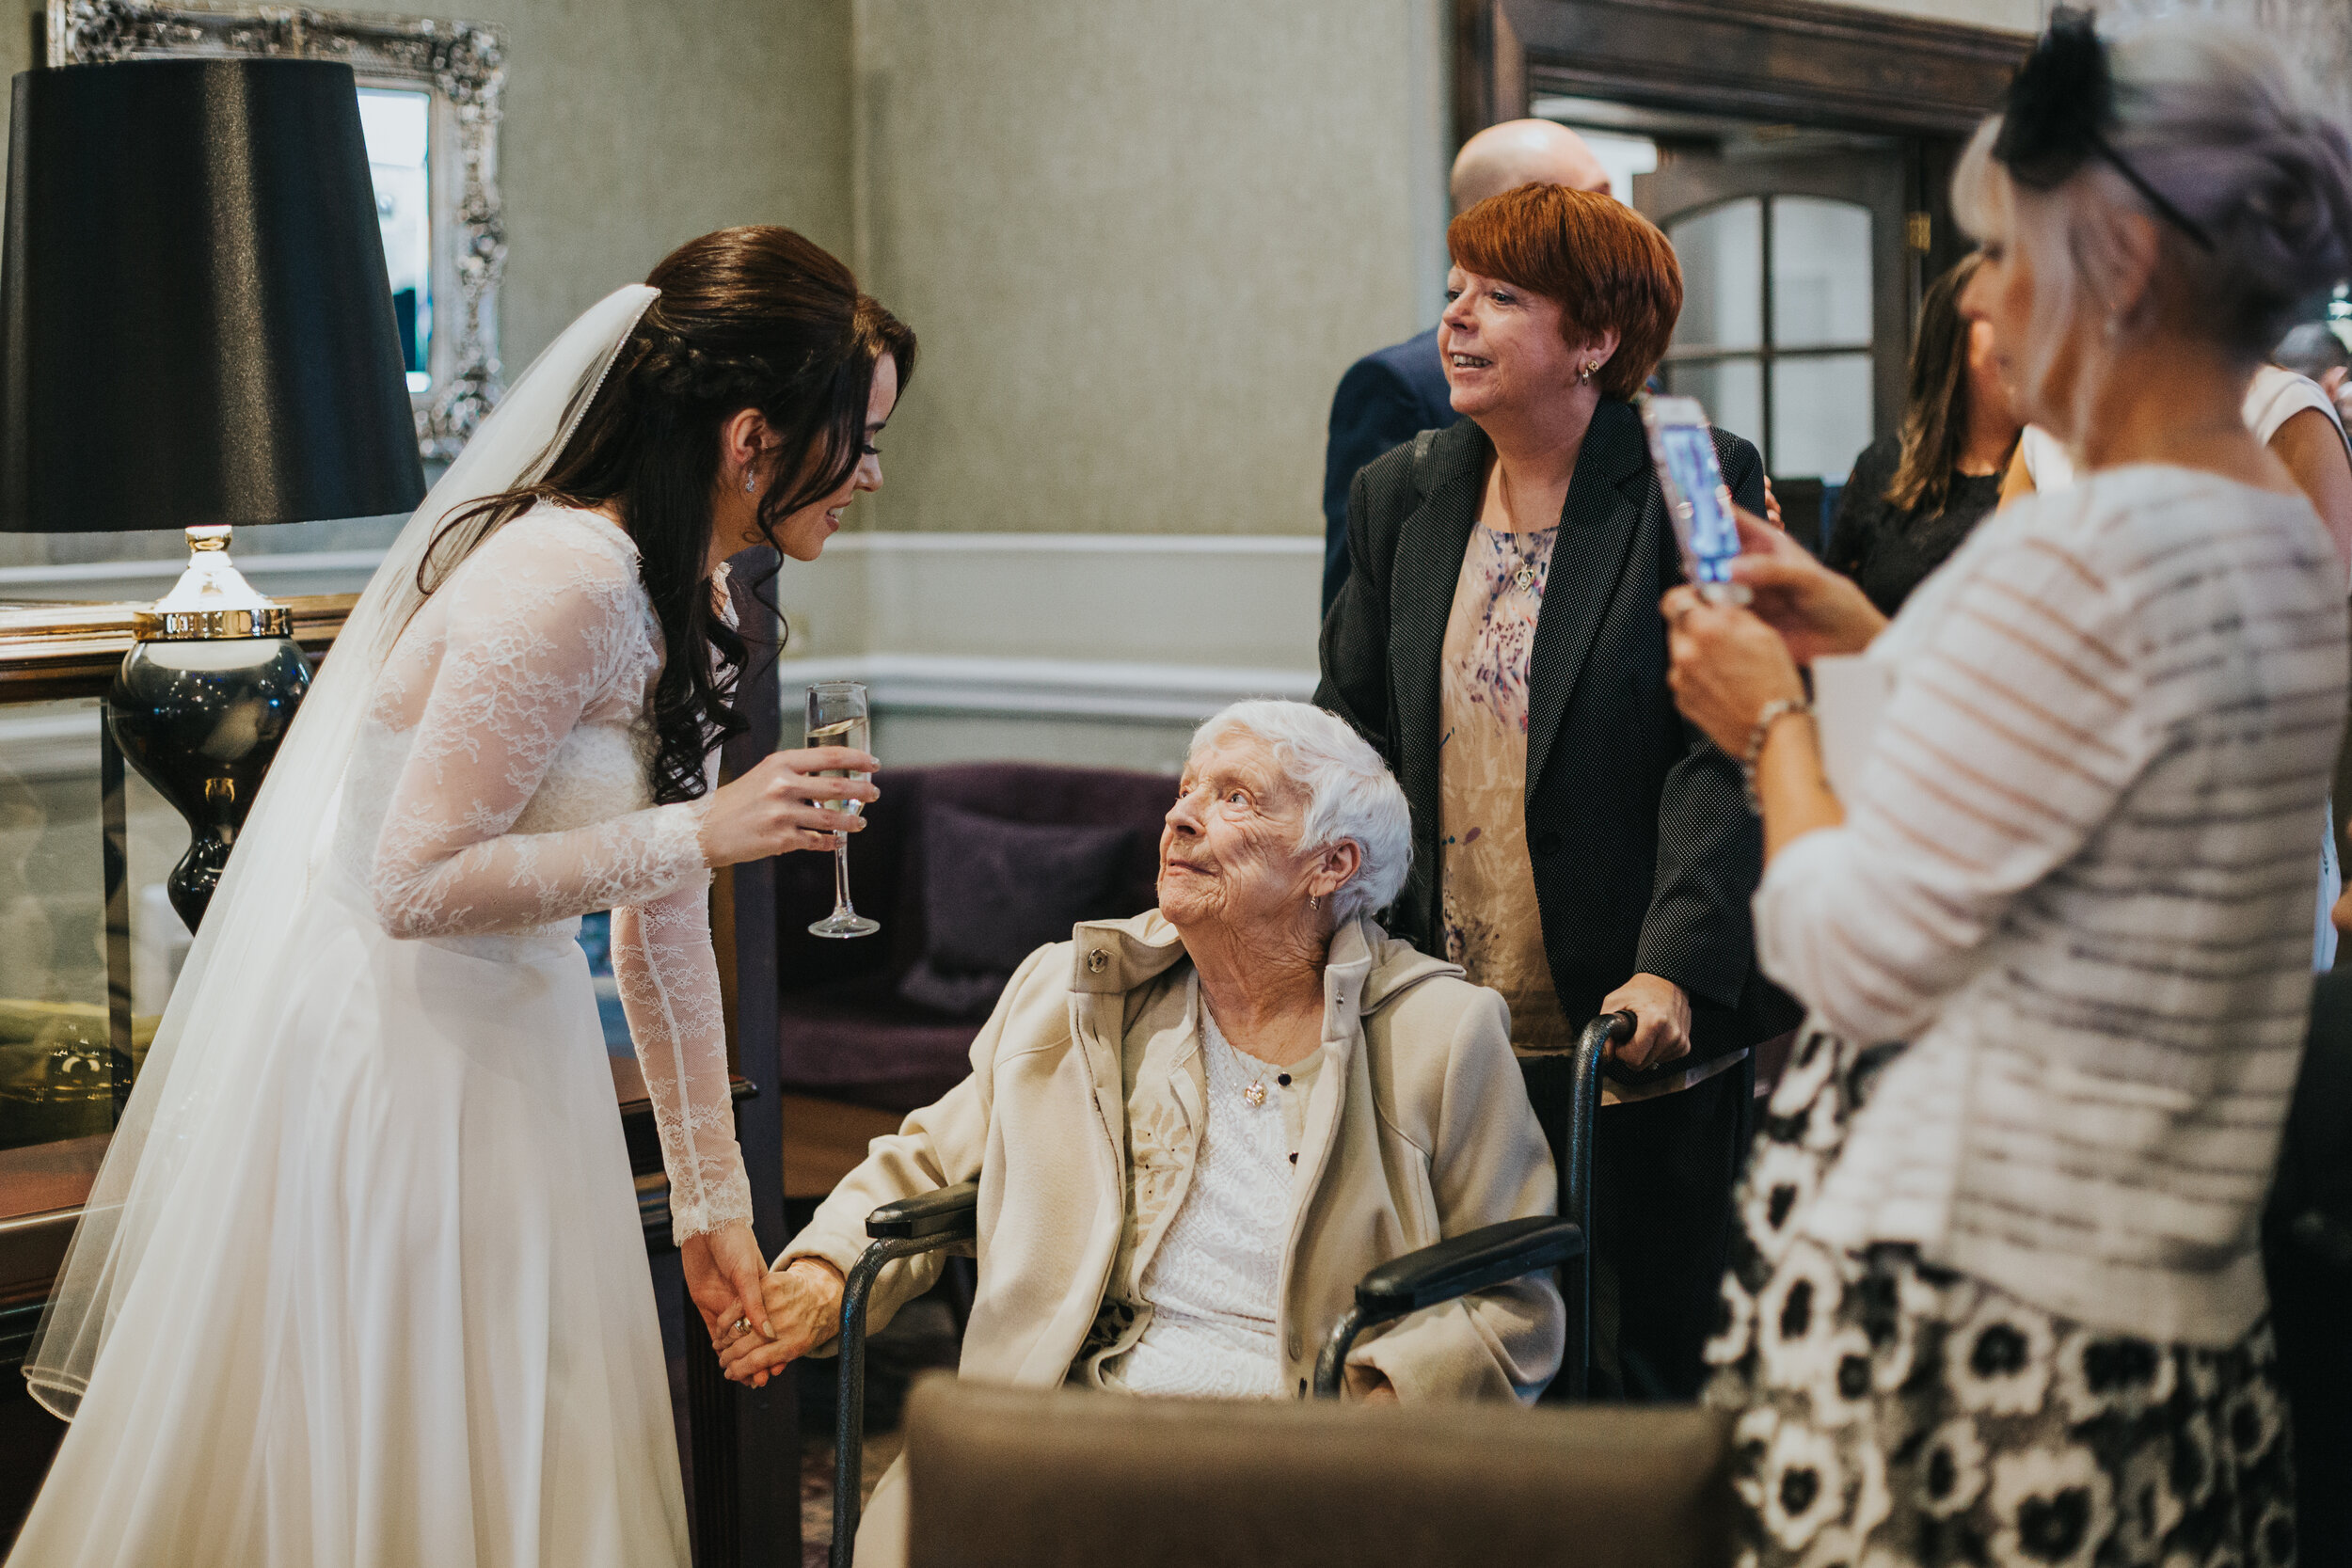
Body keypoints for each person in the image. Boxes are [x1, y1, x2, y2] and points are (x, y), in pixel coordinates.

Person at [9, 229, 915, 1568]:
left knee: (530, 1437)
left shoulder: (692, 581)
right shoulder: (567, 579)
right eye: (864, 438)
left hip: (520, 1042)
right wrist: (703, 827)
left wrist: (719, 1201)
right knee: (432, 1437)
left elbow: (662, 914)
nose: (874, 476)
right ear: (751, 437)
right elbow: (411, 879)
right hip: (406, 1065)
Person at [1664, 12, 2350, 1561]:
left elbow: (1858, 956)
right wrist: (1861, 647)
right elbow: (2071, 820)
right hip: (2166, 1308)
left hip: (1983, 1331)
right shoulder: (2271, 539)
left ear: (2116, 262)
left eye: (2005, 247)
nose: (1978, 290)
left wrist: (1769, 720)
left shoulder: (2079, 549)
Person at [718, 700, 1563, 1566]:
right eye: (1187, 787)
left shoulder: (1441, 1034)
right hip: (1069, 1421)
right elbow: (930, 1155)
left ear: (1331, 863)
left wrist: (1383, 1411)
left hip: (1300, 1442)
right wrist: (822, 1271)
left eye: (1235, 796)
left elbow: (1512, 1295)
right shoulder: (1075, 992)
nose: (1180, 814)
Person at [1318, 182, 1797, 1402]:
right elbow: (1354, 723)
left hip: (1633, 1020)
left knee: (1644, 1357)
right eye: (1454, 291)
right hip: (1444, 1013)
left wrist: (1677, 961)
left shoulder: (1699, 469)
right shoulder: (1400, 492)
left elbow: (1726, 738)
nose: (1456, 320)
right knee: (1474, 1339)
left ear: (1595, 340)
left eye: (1501, 297)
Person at [1320, 119, 1613, 615]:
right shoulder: (1399, 389)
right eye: (1593, 202)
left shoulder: (1617, 364)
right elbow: (1358, 616)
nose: (1620, 221)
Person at [1823, 254, 2021, 616]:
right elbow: (1830, 611)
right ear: (1953, 339)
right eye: (2003, 311)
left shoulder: (2058, 468)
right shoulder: (1881, 467)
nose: (2025, 334)